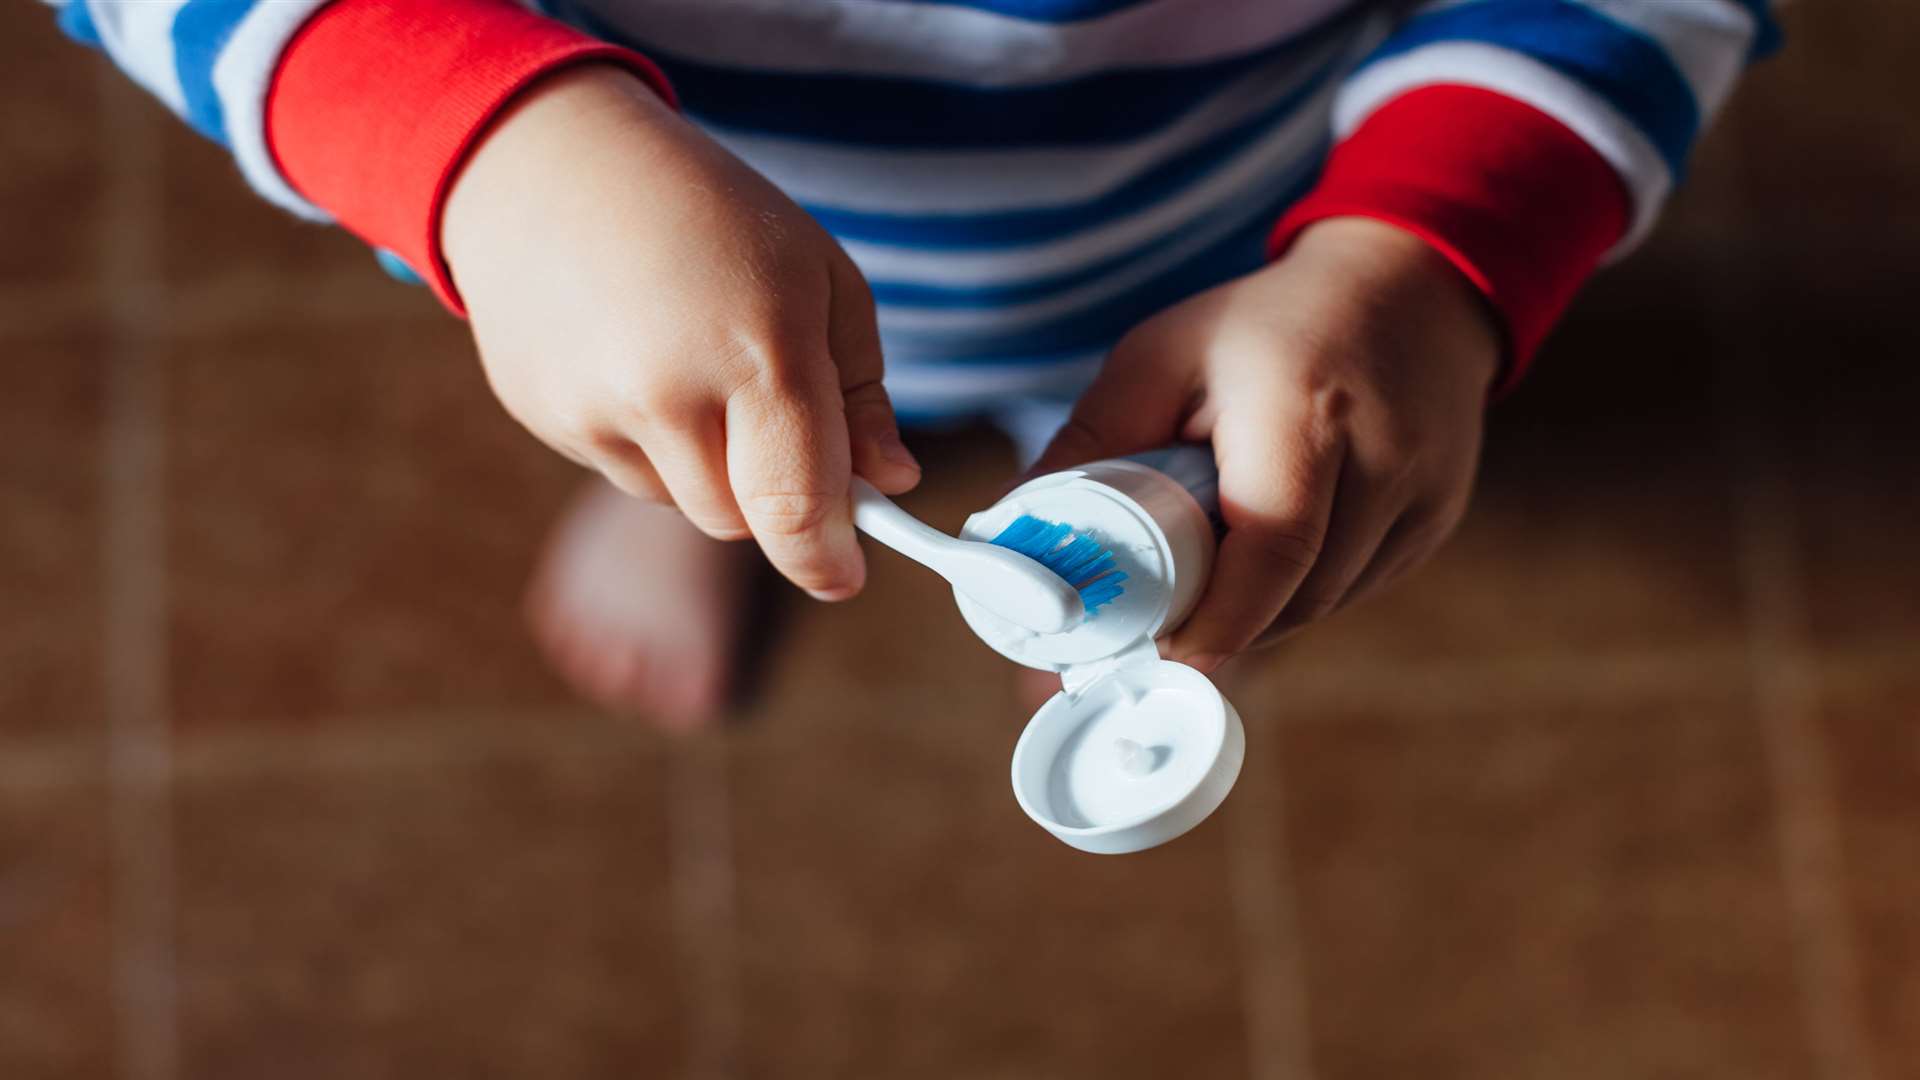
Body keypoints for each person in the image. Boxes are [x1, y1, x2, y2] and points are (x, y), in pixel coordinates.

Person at [52, 0, 1775, 725]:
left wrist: (1419, 258)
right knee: (719, 424)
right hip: (630, 224)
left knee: (1192, 468)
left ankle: (1140, 566)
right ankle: (697, 502)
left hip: (1234, 236)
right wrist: (488, 146)